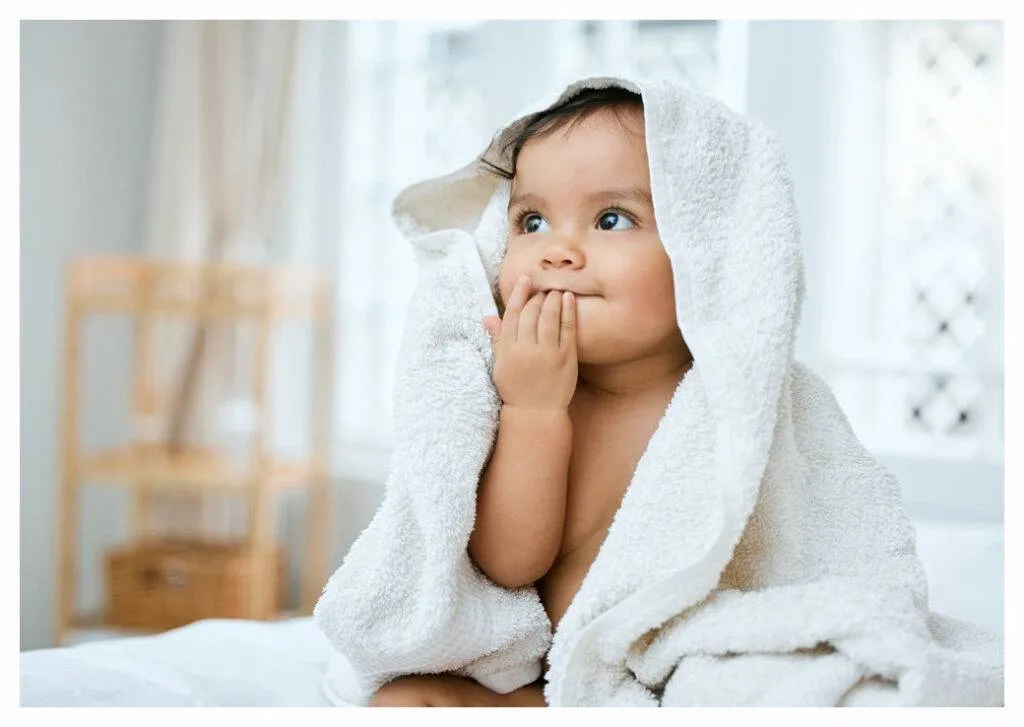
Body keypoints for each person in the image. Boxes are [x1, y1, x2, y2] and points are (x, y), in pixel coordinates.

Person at [370, 86, 688, 707]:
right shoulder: (529, 389)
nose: (556, 252)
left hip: (675, 682)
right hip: (550, 687)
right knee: (406, 703)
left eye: (612, 219)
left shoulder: (730, 404)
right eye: (532, 222)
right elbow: (510, 564)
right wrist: (533, 409)